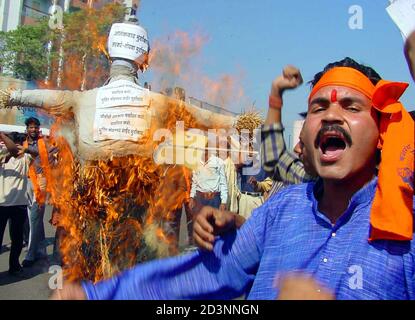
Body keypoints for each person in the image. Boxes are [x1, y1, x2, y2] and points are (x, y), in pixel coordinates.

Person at [52, 57, 414, 300]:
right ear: (304, 133)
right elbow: (201, 275)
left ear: (382, 130)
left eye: (351, 107)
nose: (331, 116)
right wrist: (95, 294)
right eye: (319, 108)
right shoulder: (281, 211)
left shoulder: (407, 225)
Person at [22, 117, 58, 268]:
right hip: (25, 182)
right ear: (27, 129)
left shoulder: (46, 143)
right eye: (31, 127)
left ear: (39, 129)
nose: (34, 129)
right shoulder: (22, 143)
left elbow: (52, 154)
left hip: (41, 183)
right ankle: (41, 249)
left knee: (35, 217)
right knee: (30, 219)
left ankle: (31, 255)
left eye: (36, 127)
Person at [0, 132, 36, 275]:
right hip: (2, 204)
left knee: (17, 239)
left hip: (19, 205)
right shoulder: (2, 156)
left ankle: (14, 267)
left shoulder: (25, 158)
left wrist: (26, 149)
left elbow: (36, 153)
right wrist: (3, 136)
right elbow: (12, 151)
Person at [189, 143, 228, 212]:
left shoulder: (218, 162)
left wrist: (223, 202)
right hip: (199, 199)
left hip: (214, 200)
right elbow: (194, 182)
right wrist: (192, 197)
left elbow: (223, 183)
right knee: (200, 221)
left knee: (214, 222)